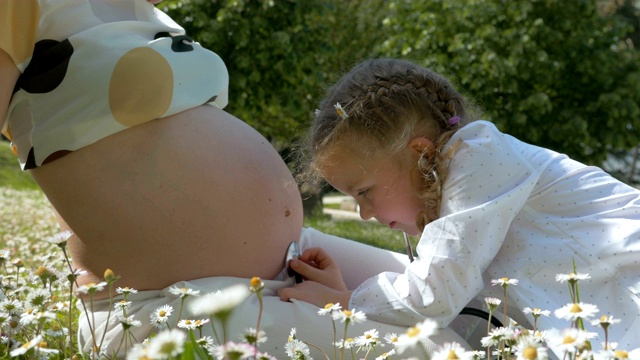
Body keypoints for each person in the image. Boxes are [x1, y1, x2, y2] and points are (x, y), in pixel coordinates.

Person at [0, 1, 468, 357]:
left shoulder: (141, 8)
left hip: (298, 255)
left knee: (475, 301)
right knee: (450, 346)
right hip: (170, 304)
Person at [278, 58, 640, 354]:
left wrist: (345, 301)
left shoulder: (479, 156)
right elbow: (467, 315)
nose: (364, 213)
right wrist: (349, 295)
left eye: (364, 192)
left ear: (419, 154)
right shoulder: (456, 197)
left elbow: (436, 296)